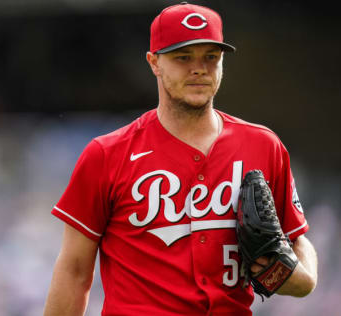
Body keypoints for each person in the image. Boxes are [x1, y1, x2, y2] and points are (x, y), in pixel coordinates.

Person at [43, 2, 318, 315]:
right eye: (183, 57)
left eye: (210, 58)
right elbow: (74, 271)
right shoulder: (107, 154)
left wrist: (297, 277)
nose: (198, 68)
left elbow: (298, 243)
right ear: (154, 63)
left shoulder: (263, 146)